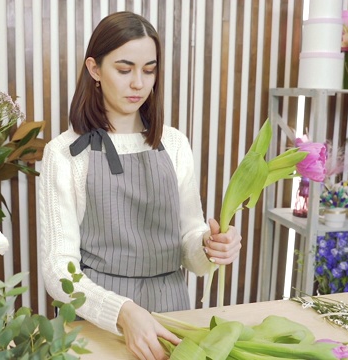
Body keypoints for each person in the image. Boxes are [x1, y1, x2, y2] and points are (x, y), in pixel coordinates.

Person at [38, 11, 242, 360]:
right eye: (124, 69)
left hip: (172, 317)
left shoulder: (174, 144)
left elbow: (189, 242)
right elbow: (59, 270)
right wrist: (124, 312)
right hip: (97, 325)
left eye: (149, 70)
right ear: (94, 69)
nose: (139, 84)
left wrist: (209, 247)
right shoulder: (65, 153)